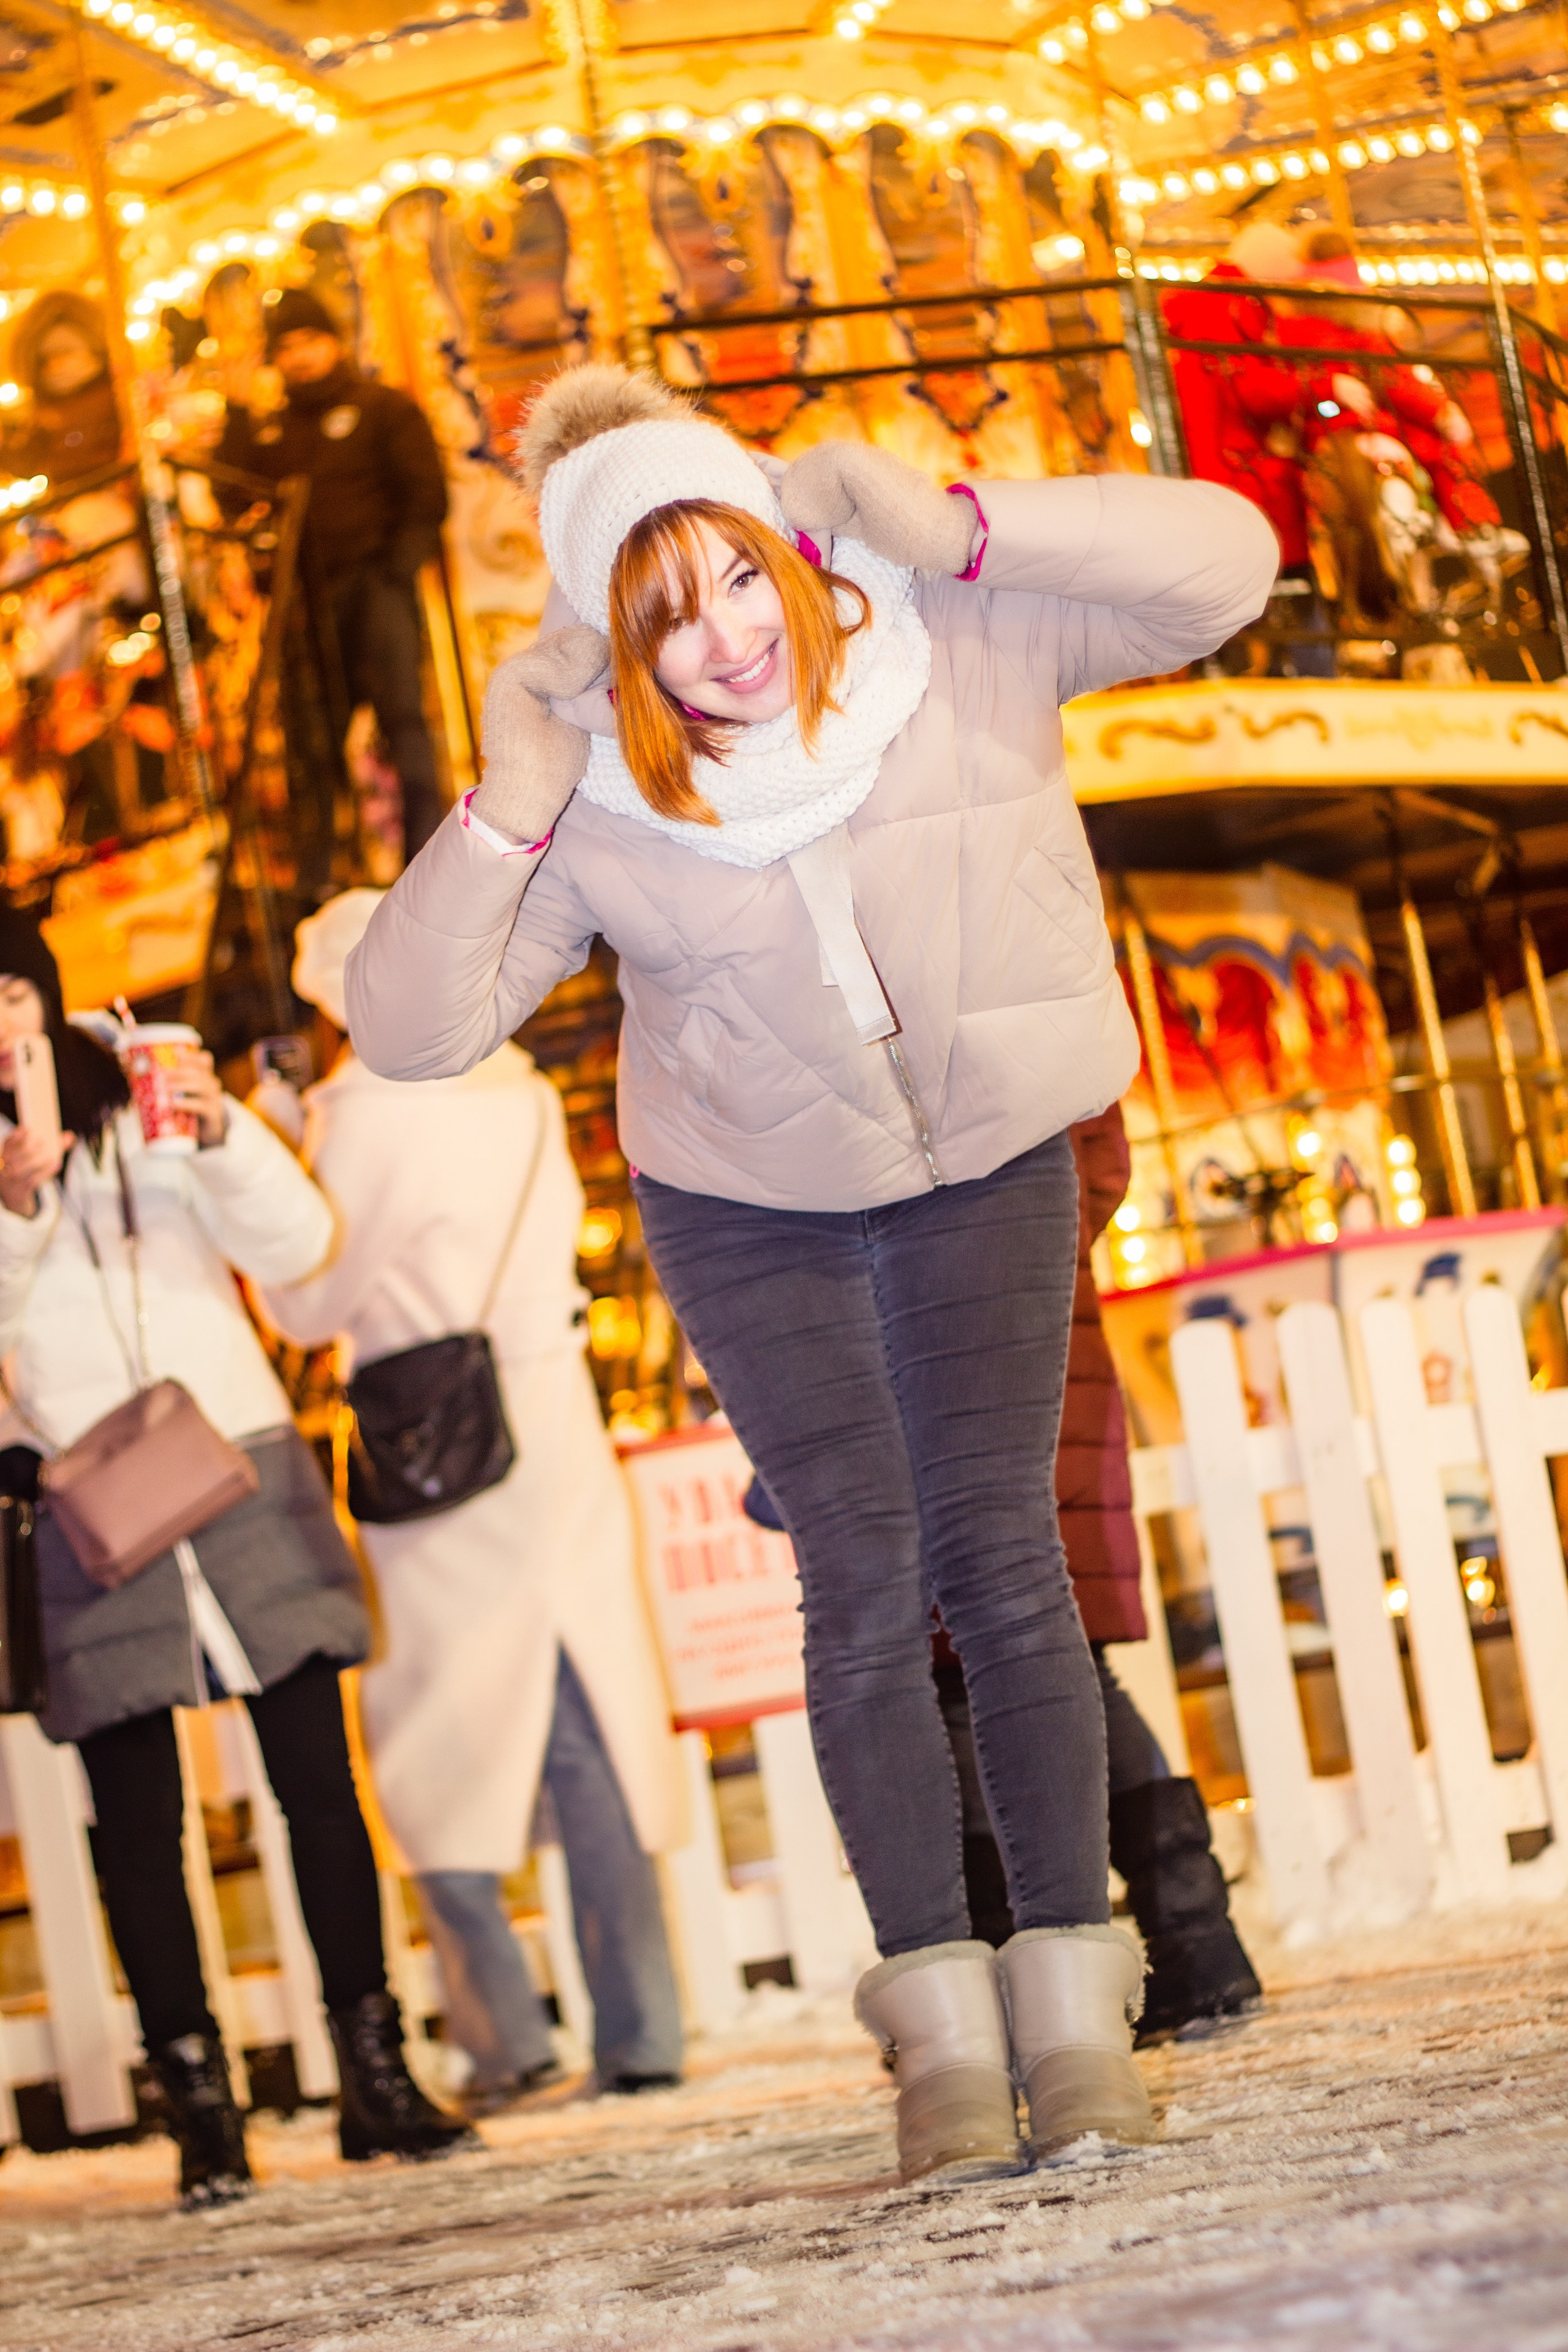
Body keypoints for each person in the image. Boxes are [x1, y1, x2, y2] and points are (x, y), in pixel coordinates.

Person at [345, 364, 1276, 2182]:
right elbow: (407, 1024)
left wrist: (961, 521)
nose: (717, 642)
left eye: (736, 578)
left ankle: (1076, 2009)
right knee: (857, 1586)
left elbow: (1229, 562)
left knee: (1000, 1562)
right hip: (753, 1203)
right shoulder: (609, 785)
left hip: (986, 1159)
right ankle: (936, 2033)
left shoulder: (951, 636)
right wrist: (511, 801)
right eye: (659, 614)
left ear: (785, 546)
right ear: (613, 639)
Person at [0, 908, 472, 2206]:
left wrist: (221, 1137)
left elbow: (296, 1248)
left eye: (12, 994)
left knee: (319, 1782)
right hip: (88, 1505)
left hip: (238, 1463)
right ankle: (202, 2113)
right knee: (138, 1824)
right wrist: (20, 1205)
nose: (5, 1026)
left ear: (44, 990)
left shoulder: (146, 1073)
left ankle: (374, 2075)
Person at [256, 889, 687, 2108]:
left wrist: (282, 1150)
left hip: (430, 1439)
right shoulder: (515, 1085)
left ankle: (501, 2032)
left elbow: (306, 1304)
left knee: (436, 1728)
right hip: (547, 1414)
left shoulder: (363, 1117)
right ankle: (641, 2023)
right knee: (580, 1694)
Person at [930, 1106, 1261, 2041]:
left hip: (950, 1354)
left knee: (962, 1676)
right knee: (1069, 1660)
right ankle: (1197, 1944)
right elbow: (1104, 1166)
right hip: (1054, 1330)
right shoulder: (1049, 991)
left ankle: (1014, 1968)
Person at [216, 288, 450, 875]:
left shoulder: (382, 408)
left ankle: (430, 857)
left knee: (405, 725)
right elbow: (230, 493)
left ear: (335, 343)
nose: (298, 358)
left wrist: (392, 572)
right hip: (309, 606)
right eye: (286, 348)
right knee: (313, 739)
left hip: (376, 590)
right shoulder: (276, 433)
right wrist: (238, 413)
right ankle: (323, 870)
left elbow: (427, 495)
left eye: (309, 342)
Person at [1163, 225, 1333, 677]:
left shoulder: (1208, 303)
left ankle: (1274, 668)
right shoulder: (1233, 306)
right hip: (1247, 470)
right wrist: (1320, 386)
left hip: (1224, 468)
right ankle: (1314, 675)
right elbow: (1252, 389)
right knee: (1293, 582)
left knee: (1261, 588)